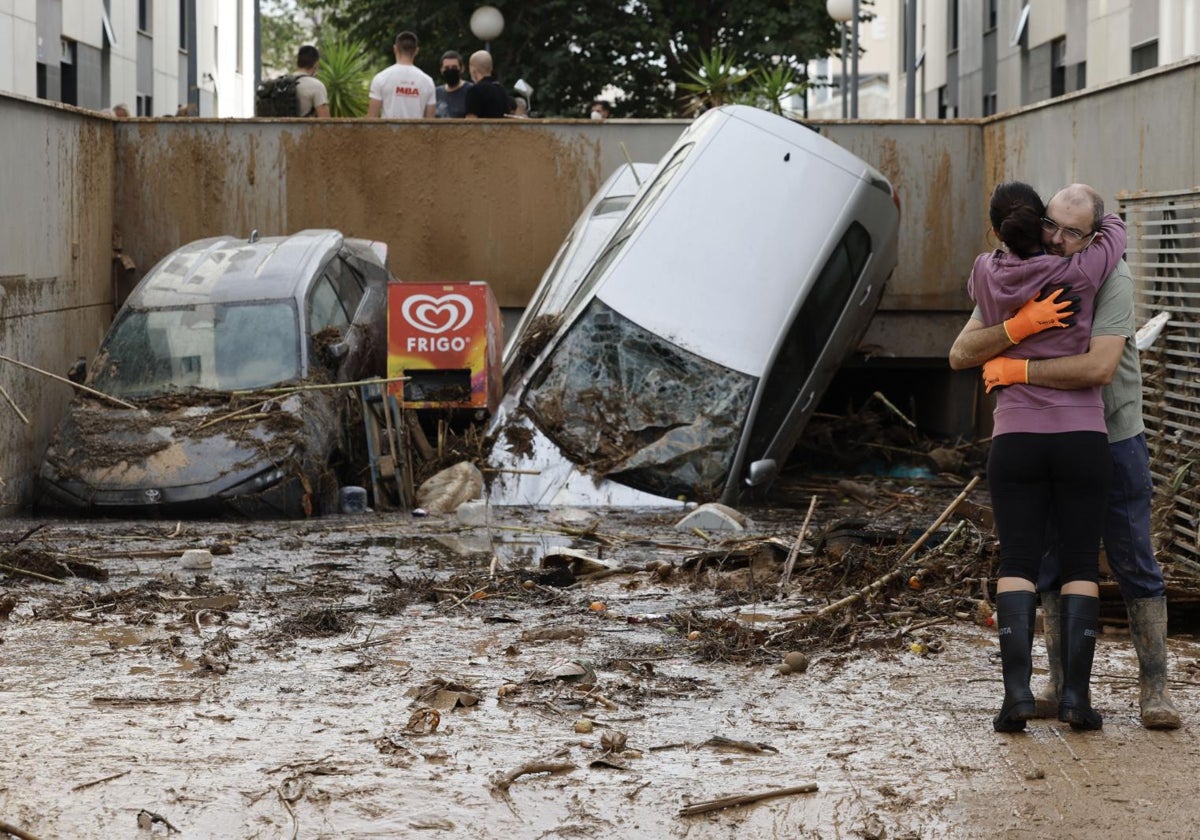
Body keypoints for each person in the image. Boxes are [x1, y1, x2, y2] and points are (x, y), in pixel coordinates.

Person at [950, 184, 1182, 730]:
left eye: (1072, 231)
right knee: (1056, 560)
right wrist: (1018, 325)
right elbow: (963, 350)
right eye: (1050, 224)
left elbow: (1098, 368)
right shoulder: (1039, 266)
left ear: (1093, 235)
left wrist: (1018, 367)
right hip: (1069, 436)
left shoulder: (1109, 276)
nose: (1056, 238)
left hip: (1114, 432)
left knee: (1132, 558)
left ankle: (1154, 689)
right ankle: (1059, 684)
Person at [368, 31, 436, 119]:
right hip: (417, 132)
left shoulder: (381, 78)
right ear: (416, 51)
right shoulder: (428, 81)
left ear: (395, 49)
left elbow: (371, 118)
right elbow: (430, 121)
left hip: (388, 132)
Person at [464, 50, 514, 119]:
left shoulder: (474, 91)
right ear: (491, 68)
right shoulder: (501, 89)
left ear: (473, 70)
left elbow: (471, 122)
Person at [434, 50, 472, 118]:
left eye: (454, 67)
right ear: (441, 70)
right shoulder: (436, 92)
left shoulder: (471, 91)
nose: (450, 70)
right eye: (446, 68)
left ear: (462, 68)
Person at [295, 45, 330, 118]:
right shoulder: (317, 86)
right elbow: (326, 121)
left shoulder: (281, 83)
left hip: (277, 129)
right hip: (304, 129)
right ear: (316, 64)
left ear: (297, 62)